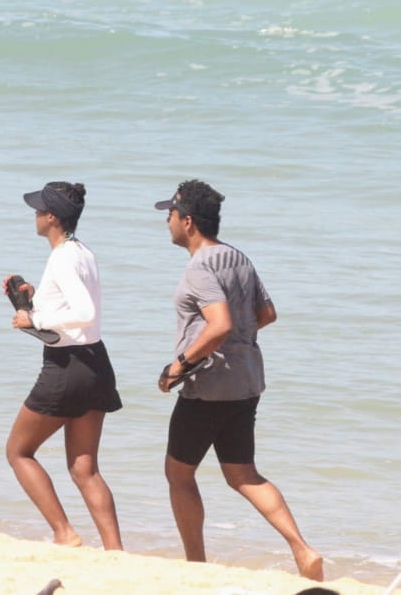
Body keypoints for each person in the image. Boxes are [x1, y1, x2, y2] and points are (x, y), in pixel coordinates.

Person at [155, 179, 323, 581]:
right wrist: (238, 347)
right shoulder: (238, 257)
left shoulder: (199, 268)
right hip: (246, 384)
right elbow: (266, 314)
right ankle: (303, 550)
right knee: (243, 474)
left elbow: (219, 324)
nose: (167, 222)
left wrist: (178, 365)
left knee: (178, 473)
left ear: (188, 221)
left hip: (208, 388)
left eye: (171, 215)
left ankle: (195, 563)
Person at [3, 181, 123, 550]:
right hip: (95, 363)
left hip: (66, 366)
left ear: (51, 217)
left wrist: (33, 321)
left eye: (39, 210)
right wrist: (31, 302)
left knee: (18, 452)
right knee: (85, 469)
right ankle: (115, 551)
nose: (35, 216)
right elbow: (74, 309)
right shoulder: (82, 252)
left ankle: (64, 533)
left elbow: (83, 313)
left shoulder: (61, 257)